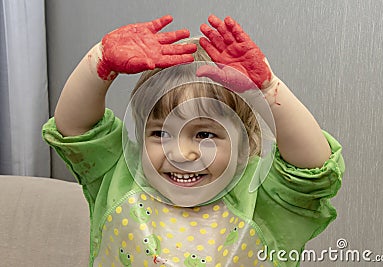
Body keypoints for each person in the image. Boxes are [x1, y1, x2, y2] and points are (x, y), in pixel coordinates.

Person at [42, 14, 344, 267]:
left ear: (244, 145)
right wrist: (100, 62)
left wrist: (268, 90)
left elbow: (313, 169)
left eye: (204, 134)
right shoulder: (119, 174)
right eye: (159, 134)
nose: (180, 153)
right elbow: (74, 126)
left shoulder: (261, 196)